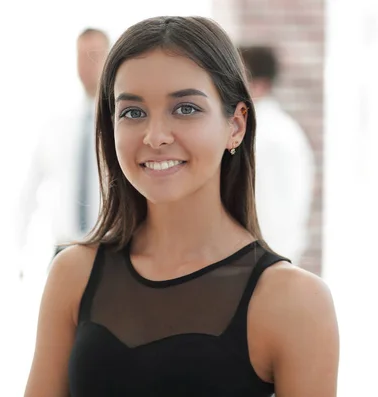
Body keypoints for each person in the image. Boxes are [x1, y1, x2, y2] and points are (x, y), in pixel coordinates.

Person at [24, 16, 338, 396]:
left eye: (185, 109)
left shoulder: (294, 301)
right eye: (133, 112)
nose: (155, 136)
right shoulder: (73, 275)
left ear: (236, 126)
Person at [16, 28, 110, 266]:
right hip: (64, 250)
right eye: (82, 56)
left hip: (112, 249)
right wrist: (20, 250)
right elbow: (30, 190)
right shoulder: (56, 125)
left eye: (95, 55)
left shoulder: (125, 123)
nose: (87, 65)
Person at [239, 45, 315, 265]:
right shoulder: (275, 128)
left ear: (260, 85)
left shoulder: (266, 135)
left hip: (262, 259)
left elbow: (271, 209)